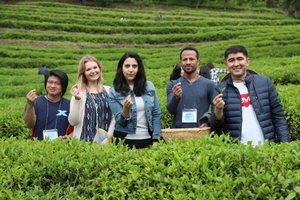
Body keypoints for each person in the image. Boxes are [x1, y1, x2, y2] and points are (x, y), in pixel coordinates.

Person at [211, 45, 290, 145]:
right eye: (231, 60)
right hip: (238, 151)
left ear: (247, 61)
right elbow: (216, 126)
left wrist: (285, 145)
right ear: (226, 64)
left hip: (267, 147)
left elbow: (278, 115)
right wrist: (218, 109)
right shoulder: (220, 89)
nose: (236, 64)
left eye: (240, 59)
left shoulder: (264, 82)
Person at [109, 52, 162, 149]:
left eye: (134, 66)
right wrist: (126, 109)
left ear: (139, 68)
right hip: (124, 141)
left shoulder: (149, 86)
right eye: (127, 66)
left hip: (148, 140)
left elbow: (156, 114)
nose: (131, 70)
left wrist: (156, 139)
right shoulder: (114, 91)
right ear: (121, 68)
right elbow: (121, 122)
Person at [68, 55, 115, 144]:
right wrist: (77, 99)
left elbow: (114, 117)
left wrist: (109, 137)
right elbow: (73, 122)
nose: (93, 71)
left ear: (99, 68)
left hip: (105, 143)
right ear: (83, 73)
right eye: (88, 69)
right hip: (83, 143)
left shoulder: (109, 91)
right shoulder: (79, 93)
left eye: (95, 67)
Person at [167, 47, 216, 128]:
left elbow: (216, 110)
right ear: (181, 62)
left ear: (198, 61)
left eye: (191, 59)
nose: (188, 62)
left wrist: (207, 123)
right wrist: (176, 98)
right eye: (185, 59)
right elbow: (170, 110)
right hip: (177, 134)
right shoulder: (173, 84)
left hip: (200, 133)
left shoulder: (209, 84)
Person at [24, 70, 71, 140]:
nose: (53, 86)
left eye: (57, 83)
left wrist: (67, 138)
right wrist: (30, 106)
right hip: (39, 146)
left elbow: (76, 128)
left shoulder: (69, 104)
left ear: (63, 86)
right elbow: (29, 124)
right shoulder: (35, 102)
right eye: (50, 82)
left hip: (63, 146)